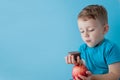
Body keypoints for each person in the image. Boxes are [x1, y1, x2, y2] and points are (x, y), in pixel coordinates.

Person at [65, 4, 120, 80]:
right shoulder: (82, 49)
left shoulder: (111, 48)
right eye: (82, 31)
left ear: (105, 29)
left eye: (91, 30)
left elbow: (115, 75)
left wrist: (93, 78)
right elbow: (83, 67)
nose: (85, 35)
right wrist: (77, 63)